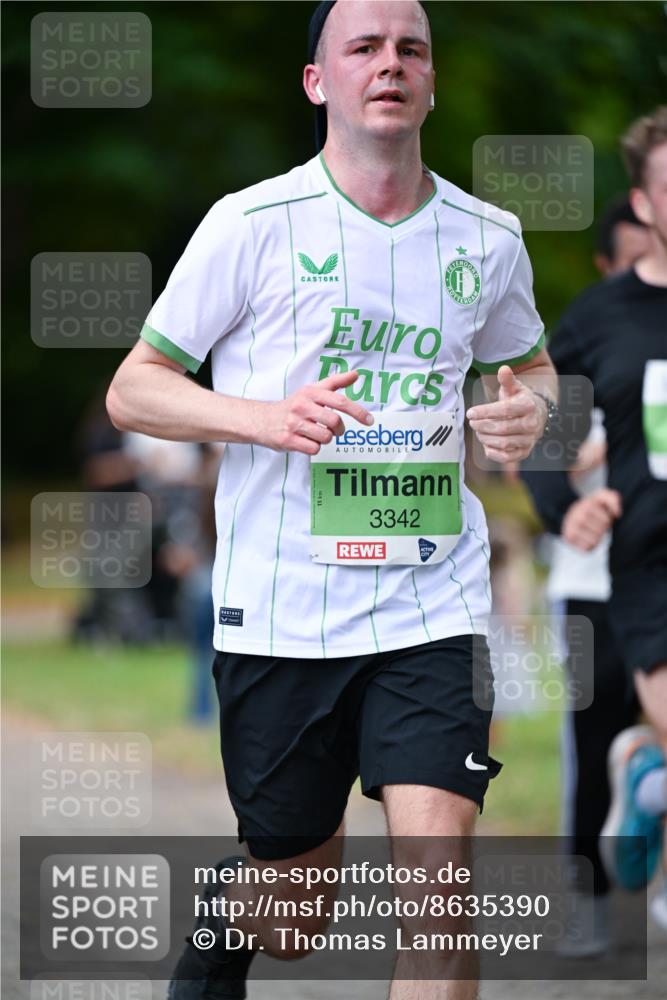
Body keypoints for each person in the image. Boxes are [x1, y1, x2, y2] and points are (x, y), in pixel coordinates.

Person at [107, 3, 557, 997]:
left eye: (410, 49)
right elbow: (134, 388)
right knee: (294, 914)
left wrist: (532, 412)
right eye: (363, 48)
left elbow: (534, 369)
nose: (389, 64)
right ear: (318, 82)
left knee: (438, 895)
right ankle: (240, 904)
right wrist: (263, 418)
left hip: (433, 604)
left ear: (430, 83)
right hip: (284, 612)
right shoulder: (250, 224)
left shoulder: (488, 238)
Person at [521, 107, 667, 933]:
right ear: (641, 204)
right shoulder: (600, 317)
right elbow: (539, 429)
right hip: (648, 567)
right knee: (598, 713)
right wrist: (565, 507)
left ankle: (649, 776)